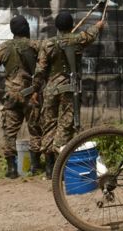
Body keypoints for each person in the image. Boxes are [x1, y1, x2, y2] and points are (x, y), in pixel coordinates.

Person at [31, 12, 104, 178]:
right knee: (65, 124)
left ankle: (49, 166)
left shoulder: (47, 43)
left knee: (49, 124)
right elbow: (91, 33)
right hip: (69, 89)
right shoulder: (77, 40)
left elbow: (40, 70)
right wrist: (98, 26)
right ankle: (59, 161)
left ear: (56, 26)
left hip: (50, 90)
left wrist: (35, 89)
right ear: (72, 26)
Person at [0, 15, 42, 179]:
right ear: (27, 29)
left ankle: (11, 169)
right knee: (35, 129)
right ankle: (35, 165)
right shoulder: (35, 46)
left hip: (11, 95)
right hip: (31, 94)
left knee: (9, 132)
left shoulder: (2, 48)